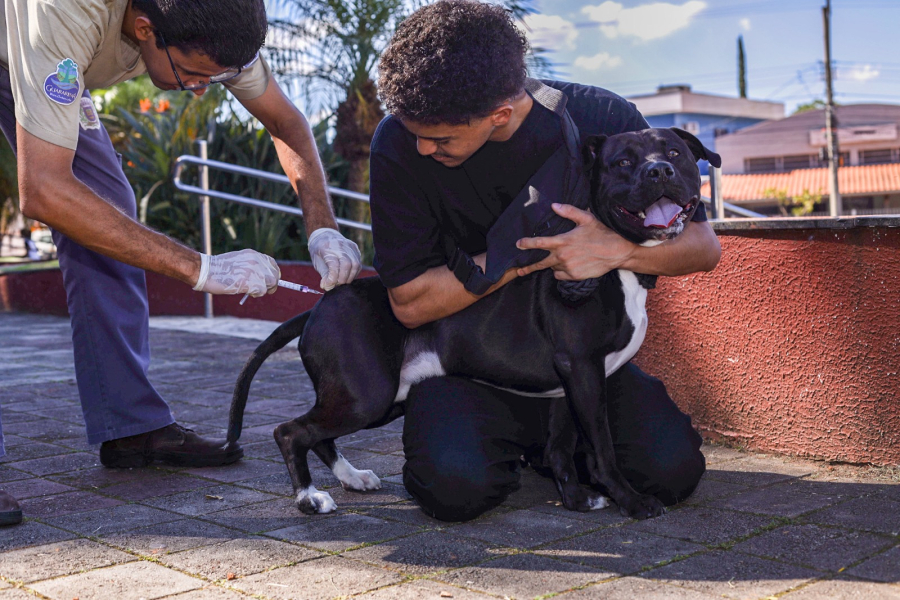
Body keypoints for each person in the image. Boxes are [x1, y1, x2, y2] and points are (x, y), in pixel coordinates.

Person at [0, 0, 362, 526]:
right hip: (31, 40)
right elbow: (45, 192)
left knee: (107, 214)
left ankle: (129, 425)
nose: (200, 90)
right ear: (145, 28)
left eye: (214, 80)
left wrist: (323, 226)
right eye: (193, 76)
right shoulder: (68, 10)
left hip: (41, 65)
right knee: (76, 203)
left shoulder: (214, 21)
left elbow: (284, 119)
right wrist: (202, 268)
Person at [370, 0, 721, 522]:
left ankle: (554, 449)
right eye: (416, 132)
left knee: (670, 473)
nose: (423, 148)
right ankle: (531, 449)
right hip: (474, 367)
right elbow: (410, 303)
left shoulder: (602, 119)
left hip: (586, 363)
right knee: (453, 488)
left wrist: (615, 248)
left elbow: (704, 249)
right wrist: (525, 253)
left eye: (440, 138)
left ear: (500, 115)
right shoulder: (398, 144)